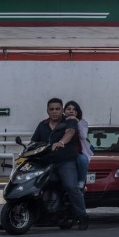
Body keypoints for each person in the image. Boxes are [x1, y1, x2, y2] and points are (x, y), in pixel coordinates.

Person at [30, 97, 89, 229]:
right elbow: (34, 142)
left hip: (64, 161)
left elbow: (70, 132)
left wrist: (61, 142)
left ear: (62, 110)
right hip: (46, 162)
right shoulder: (42, 125)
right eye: (51, 109)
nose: (54, 111)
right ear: (47, 110)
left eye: (57, 109)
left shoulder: (69, 121)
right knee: (33, 184)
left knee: (70, 186)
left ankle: (82, 215)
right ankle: (34, 215)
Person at [64, 100, 92, 190]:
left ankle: (81, 181)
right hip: (63, 151)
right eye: (69, 109)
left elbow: (83, 136)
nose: (71, 111)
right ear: (64, 111)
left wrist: (77, 122)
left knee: (83, 160)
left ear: (77, 112)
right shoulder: (61, 122)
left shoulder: (82, 122)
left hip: (78, 152)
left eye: (74, 109)